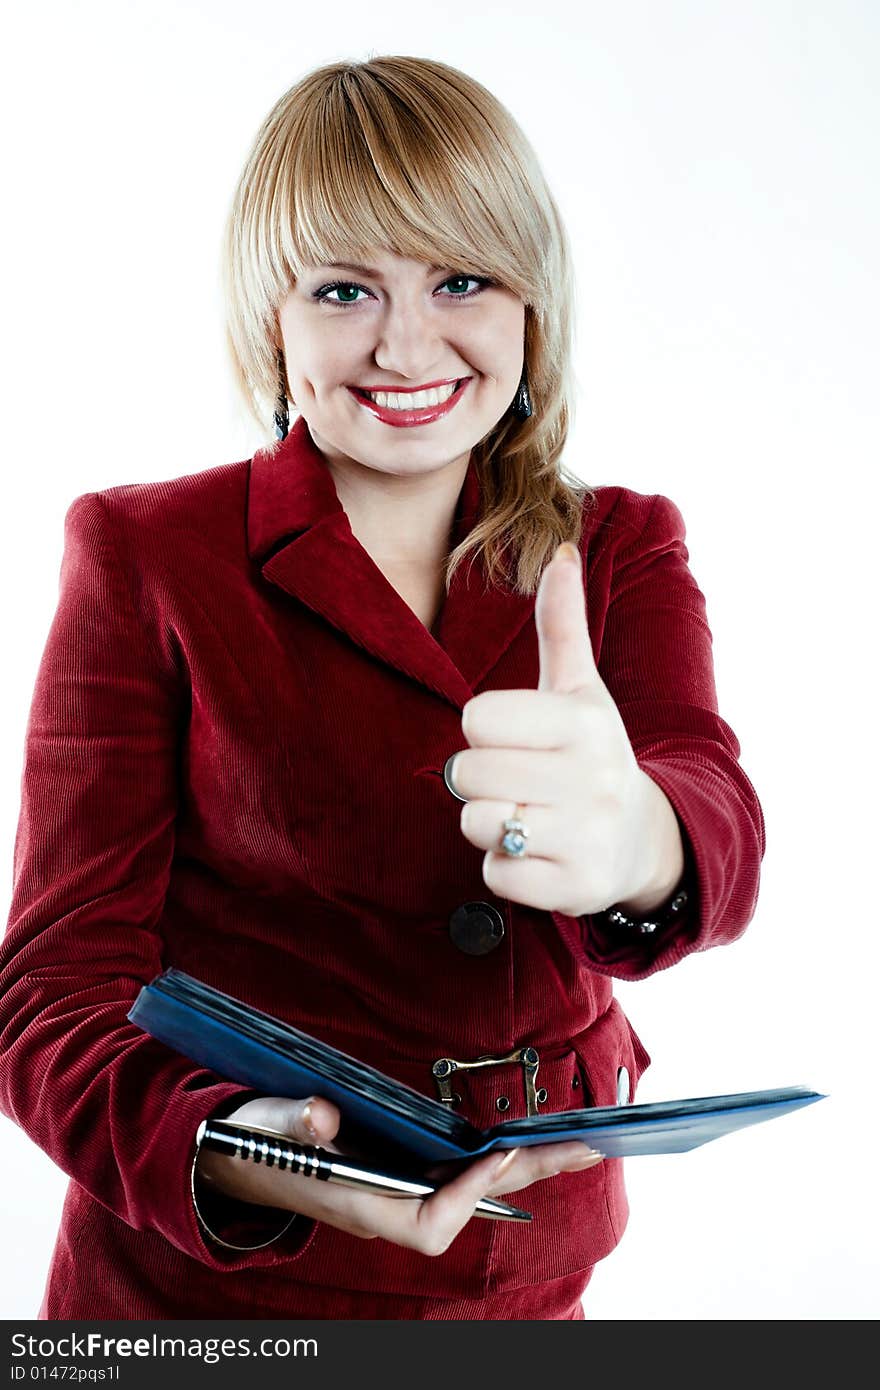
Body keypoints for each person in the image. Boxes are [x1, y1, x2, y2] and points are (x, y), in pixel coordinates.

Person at [0, 54, 765, 1321]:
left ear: (531, 302)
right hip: (215, 1293)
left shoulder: (618, 544)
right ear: (274, 322)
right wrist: (229, 1142)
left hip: (531, 1266)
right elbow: (51, 986)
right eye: (344, 288)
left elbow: (703, 788)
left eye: (459, 278)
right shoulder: (145, 552)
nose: (407, 344)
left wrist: (646, 836)